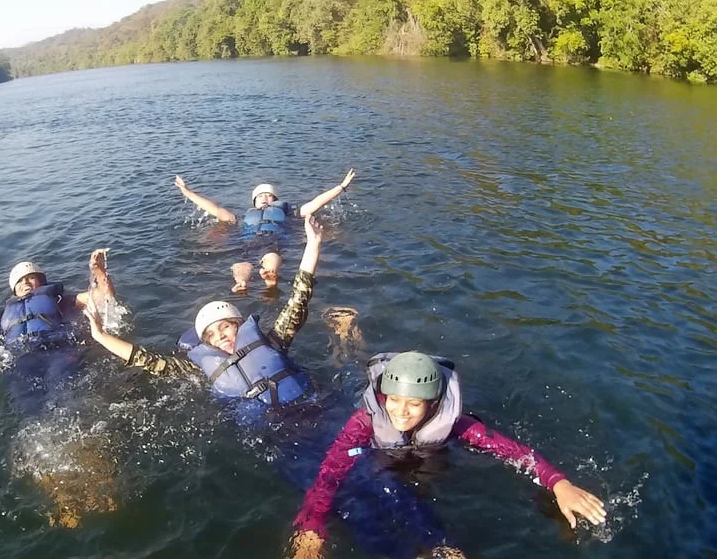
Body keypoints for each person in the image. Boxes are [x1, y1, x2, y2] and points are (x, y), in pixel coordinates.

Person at [84, 217, 465, 559]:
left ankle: (438, 544)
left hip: (320, 413)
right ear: (204, 344)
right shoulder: (198, 370)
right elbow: (145, 359)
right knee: (345, 503)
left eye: (227, 328)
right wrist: (100, 336)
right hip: (282, 440)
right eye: (214, 335)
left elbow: (299, 297)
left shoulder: (273, 339)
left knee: (376, 476)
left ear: (239, 325)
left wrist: (313, 247)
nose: (223, 338)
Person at [288, 351, 608, 559]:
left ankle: (442, 550)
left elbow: (513, 451)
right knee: (373, 496)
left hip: (428, 464)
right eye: (394, 401)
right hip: (380, 463)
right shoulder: (364, 421)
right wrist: (312, 522)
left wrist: (558, 483)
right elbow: (332, 469)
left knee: (418, 501)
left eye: (413, 404)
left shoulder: (454, 424)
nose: (400, 412)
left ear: (433, 404)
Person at [0, 249, 120, 527]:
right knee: (32, 419)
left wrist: (98, 272)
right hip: (23, 360)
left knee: (66, 405)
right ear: (14, 287)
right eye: (22, 280)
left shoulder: (61, 299)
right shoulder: (3, 313)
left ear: (42, 281)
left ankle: (100, 480)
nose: (28, 283)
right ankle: (61, 495)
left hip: (60, 352)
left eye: (33, 279)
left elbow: (100, 297)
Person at [174, 170, 355, 292]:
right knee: (241, 264)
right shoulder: (239, 218)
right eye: (260, 196)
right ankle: (242, 282)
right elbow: (214, 209)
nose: (265, 198)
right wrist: (187, 192)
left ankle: (270, 276)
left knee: (272, 257)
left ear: (275, 200)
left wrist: (341, 186)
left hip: (272, 240)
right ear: (254, 202)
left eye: (269, 196)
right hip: (247, 242)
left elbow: (316, 202)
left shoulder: (290, 213)